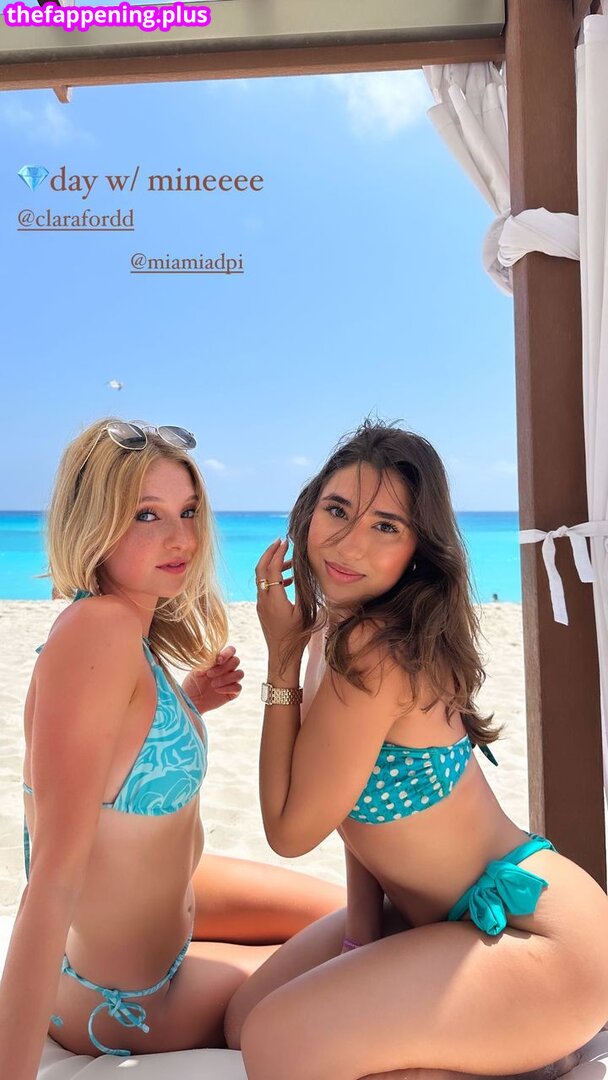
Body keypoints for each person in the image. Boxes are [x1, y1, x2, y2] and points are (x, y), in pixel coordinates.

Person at [225, 420, 608, 1080]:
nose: (350, 543)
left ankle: (532, 1048)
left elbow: (289, 832)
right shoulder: (334, 631)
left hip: (541, 940)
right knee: (243, 1020)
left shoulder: (374, 648)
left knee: (273, 1044)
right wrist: (360, 942)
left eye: (386, 526)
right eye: (337, 510)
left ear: (418, 549)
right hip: (435, 926)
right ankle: (514, 1046)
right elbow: (352, 817)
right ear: (308, 512)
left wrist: (279, 660)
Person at [0, 418, 344, 1080]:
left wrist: (184, 704)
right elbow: (52, 880)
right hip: (128, 1001)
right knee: (360, 948)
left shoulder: (121, 627)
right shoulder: (99, 632)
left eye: (187, 511)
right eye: (146, 515)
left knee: (355, 919)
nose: (181, 538)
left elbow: (116, 766)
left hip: (174, 901)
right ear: (93, 523)